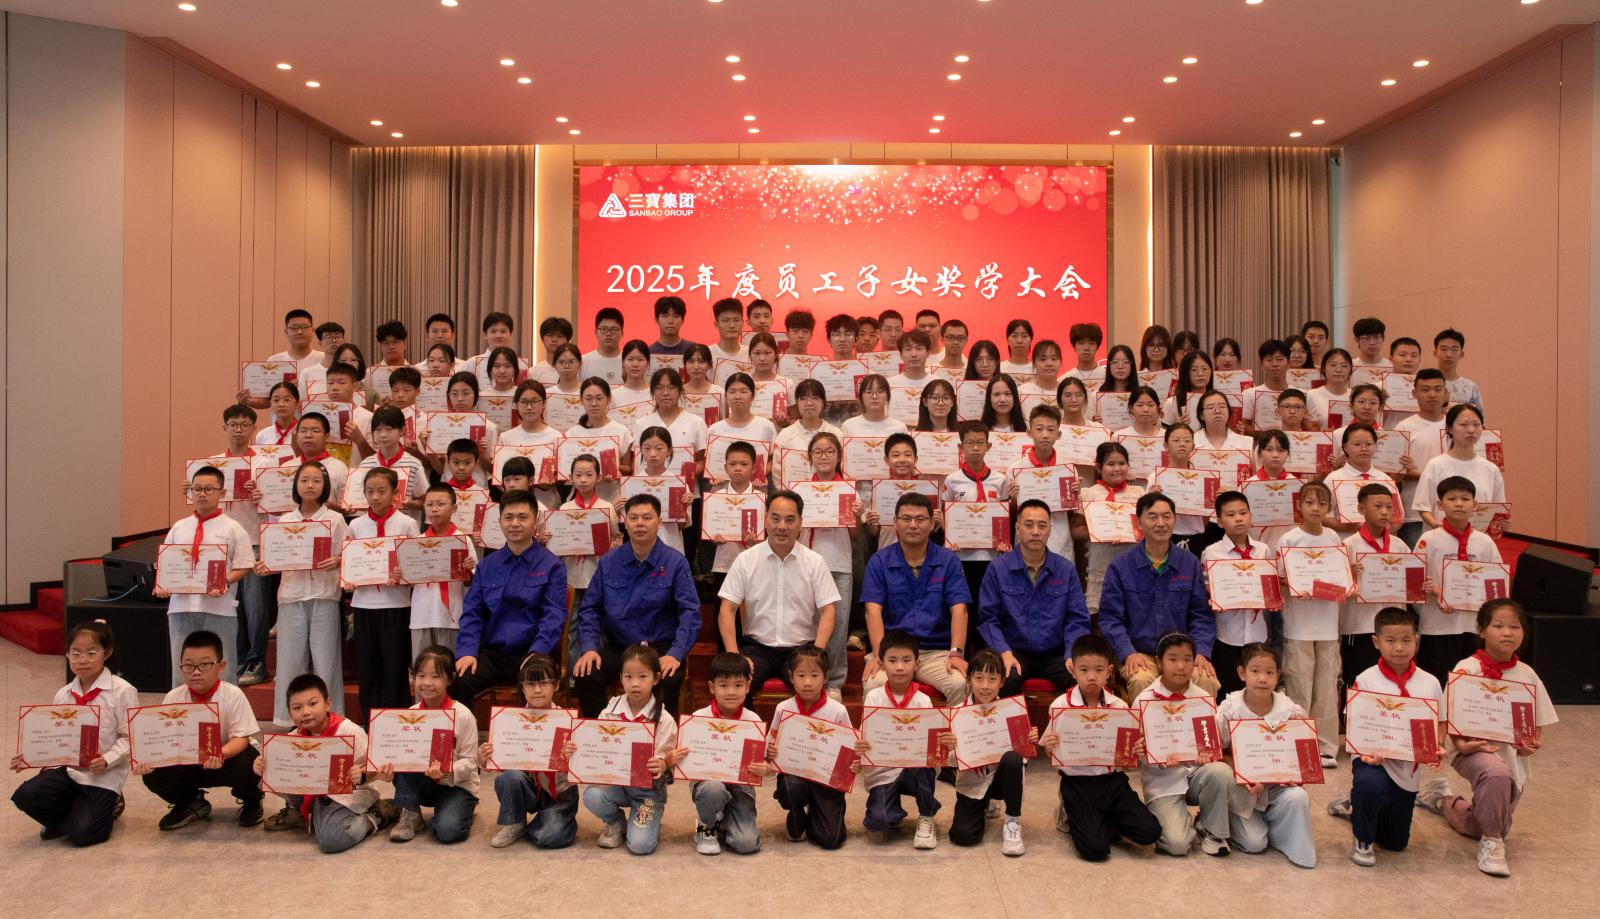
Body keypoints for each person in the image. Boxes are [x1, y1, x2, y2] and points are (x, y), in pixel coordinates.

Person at [1420, 599, 1557, 877]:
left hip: (1511, 758)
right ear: (1481, 630)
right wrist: (1462, 745)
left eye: (1515, 627)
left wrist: (1528, 747)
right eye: (1498, 626)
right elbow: (1450, 718)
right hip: (1472, 750)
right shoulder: (1467, 668)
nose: (1507, 633)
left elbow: (1535, 726)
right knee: (1496, 779)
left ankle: (1442, 799)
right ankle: (1492, 845)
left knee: (1480, 824)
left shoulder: (1527, 674)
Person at [1332, 606, 1444, 868]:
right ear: (1376, 641)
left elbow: (1440, 723)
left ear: (1416, 640)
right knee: (1369, 786)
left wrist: (1437, 745)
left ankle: (1356, 807)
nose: (1399, 648)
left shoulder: (1430, 682)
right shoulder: (1365, 680)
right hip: (1373, 760)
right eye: (1390, 640)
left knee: (1396, 843)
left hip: (1407, 767)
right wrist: (1368, 750)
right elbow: (1354, 724)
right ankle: (1362, 838)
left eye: (1406, 640)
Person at [10, 620, 138, 847]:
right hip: (68, 770)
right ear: (67, 654)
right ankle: (72, 815)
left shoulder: (122, 691)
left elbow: (131, 737)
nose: (82, 660)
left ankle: (108, 804)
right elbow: (55, 737)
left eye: (91, 653)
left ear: (107, 653)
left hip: (102, 776)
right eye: (76, 653)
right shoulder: (64, 694)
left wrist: (107, 759)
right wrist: (31, 756)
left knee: (84, 835)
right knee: (25, 795)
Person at [573, 494, 701, 717]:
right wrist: (590, 648)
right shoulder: (609, 561)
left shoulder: (675, 562)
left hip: (660, 649)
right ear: (625, 522)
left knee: (669, 679)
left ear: (659, 522)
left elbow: (690, 612)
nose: (640, 523)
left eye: (647, 518)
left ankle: (659, 736)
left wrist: (676, 653)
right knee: (586, 674)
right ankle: (602, 731)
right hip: (620, 648)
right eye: (633, 518)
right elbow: (590, 609)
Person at [1040, 634, 1161, 861]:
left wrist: (1135, 751)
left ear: (1109, 671)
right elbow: (1052, 755)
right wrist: (1049, 746)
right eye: (1084, 670)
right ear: (1072, 670)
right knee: (1095, 850)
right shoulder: (1060, 706)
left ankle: (1099, 820)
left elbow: (1127, 761)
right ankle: (1070, 811)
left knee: (1150, 832)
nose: (1092, 676)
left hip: (1112, 782)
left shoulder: (1120, 706)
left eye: (1099, 670)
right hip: (1077, 783)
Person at [134, 629, 263, 830]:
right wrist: (150, 760)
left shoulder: (233, 694)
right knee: (153, 774)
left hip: (225, 760)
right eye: (188, 665)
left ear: (221, 666)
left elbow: (241, 738)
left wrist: (220, 753)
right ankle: (191, 802)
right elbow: (164, 740)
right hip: (188, 763)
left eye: (204, 664)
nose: (196, 672)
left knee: (251, 761)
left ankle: (252, 801)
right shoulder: (174, 697)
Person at [1097, 493, 1219, 699]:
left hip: (1181, 653)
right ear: (1139, 523)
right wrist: (1128, 653)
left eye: (1166, 516)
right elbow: (1110, 619)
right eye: (1153, 517)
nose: (1161, 523)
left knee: (1205, 677)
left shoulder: (1189, 563)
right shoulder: (1120, 566)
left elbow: (1201, 616)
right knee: (1141, 679)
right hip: (1140, 652)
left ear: (1174, 520)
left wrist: (1201, 653)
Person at [257, 673, 398, 850]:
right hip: (313, 791)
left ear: (327, 704)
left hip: (346, 794)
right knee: (267, 771)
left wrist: (361, 775)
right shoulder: (294, 738)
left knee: (331, 840)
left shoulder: (349, 732)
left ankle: (376, 815)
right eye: (297, 707)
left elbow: (376, 767)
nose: (305, 712)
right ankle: (298, 811)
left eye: (313, 704)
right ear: (289, 713)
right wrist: (261, 766)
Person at [717, 490, 841, 693]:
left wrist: (815, 654)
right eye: (775, 519)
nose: (782, 526)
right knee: (736, 685)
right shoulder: (746, 559)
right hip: (757, 647)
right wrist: (734, 655)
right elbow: (727, 609)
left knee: (809, 686)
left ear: (800, 523)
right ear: (765, 520)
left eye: (790, 520)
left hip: (800, 650)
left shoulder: (815, 562)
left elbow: (829, 611)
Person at [860, 493, 972, 704]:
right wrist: (879, 653)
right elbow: (872, 610)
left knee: (960, 683)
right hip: (893, 650)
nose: (913, 525)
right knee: (874, 683)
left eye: (920, 519)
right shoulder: (879, 561)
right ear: (895, 522)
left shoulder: (948, 560)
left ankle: (952, 729)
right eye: (906, 519)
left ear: (932, 524)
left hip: (935, 652)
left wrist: (956, 653)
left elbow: (960, 609)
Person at [1215, 643, 1317, 867]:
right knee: (1254, 843)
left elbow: (1306, 754)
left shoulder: (1290, 711)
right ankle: (1238, 823)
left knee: (1298, 797)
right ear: (1242, 673)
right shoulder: (1229, 709)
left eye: (1269, 672)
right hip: (1243, 789)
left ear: (1278, 675)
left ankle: (1286, 837)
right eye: (1255, 671)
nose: (1262, 679)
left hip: (1278, 787)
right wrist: (1241, 770)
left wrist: (1296, 773)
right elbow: (1216, 752)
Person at [1134, 632, 1235, 856]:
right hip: (1163, 781)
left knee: (1220, 771)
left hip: (1196, 775)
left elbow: (1209, 742)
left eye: (1187, 659)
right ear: (1159, 662)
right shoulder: (1144, 700)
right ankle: (1178, 822)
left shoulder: (1202, 698)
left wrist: (1207, 755)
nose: (1181, 666)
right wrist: (1147, 754)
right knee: (1177, 845)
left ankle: (1211, 829)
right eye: (1173, 659)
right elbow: (1136, 749)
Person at [576, 643, 682, 855]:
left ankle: (649, 818)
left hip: (648, 792)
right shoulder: (610, 711)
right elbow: (596, 746)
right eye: (628, 677)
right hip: (617, 785)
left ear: (656, 678)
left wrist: (664, 763)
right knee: (592, 795)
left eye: (643, 677)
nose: (635, 684)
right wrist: (577, 751)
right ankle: (616, 821)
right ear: (621, 678)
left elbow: (667, 763)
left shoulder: (664, 719)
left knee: (640, 846)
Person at [263, 461, 347, 726]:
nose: (310, 485)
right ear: (295, 485)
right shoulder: (285, 521)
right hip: (291, 595)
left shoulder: (335, 520)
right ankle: (289, 718)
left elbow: (348, 554)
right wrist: (266, 565)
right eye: (304, 480)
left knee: (326, 661)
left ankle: (332, 719)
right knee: (289, 661)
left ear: (325, 486)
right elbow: (275, 557)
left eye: (316, 481)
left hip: (324, 594)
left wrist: (339, 560)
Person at [977, 499, 1089, 696]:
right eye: (1029, 525)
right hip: (1013, 651)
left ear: (1050, 530)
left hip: (1057, 654)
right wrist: (1003, 651)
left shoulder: (1065, 569)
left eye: (1042, 526)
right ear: (1017, 528)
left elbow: (1077, 619)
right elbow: (988, 619)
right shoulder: (998, 568)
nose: (1035, 531)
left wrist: (1072, 653)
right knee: (1005, 680)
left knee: (1081, 682)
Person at [156, 466, 256, 686]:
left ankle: (224, 708)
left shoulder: (233, 528)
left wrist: (225, 580)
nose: (202, 494)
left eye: (209, 489)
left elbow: (246, 565)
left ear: (222, 492)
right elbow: (166, 565)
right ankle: (184, 707)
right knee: (182, 671)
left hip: (219, 607)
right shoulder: (179, 527)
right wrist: (162, 585)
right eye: (197, 489)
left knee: (223, 670)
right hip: (181, 607)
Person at [1275, 480, 1348, 766]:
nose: (1315, 508)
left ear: (1329, 507)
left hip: (1328, 624)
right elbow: (1279, 578)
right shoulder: (1289, 540)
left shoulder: (1333, 537)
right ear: (1299, 506)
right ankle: (1300, 744)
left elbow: (1340, 578)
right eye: (1309, 503)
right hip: (1298, 625)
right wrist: (1296, 585)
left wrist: (1348, 578)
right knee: (1300, 688)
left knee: (1327, 689)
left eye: (1321, 503)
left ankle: (1326, 747)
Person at [379, 646, 479, 844]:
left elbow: (471, 761)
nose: (426, 683)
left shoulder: (463, 715)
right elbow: (399, 755)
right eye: (421, 675)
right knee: (403, 755)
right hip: (423, 782)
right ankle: (410, 812)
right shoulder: (410, 715)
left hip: (456, 786)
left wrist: (447, 769)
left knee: (448, 832)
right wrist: (388, 771)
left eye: (435, 676)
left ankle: (460, 809)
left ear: (450, 679)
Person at [938, 649, 1033, 855]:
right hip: (972, 783)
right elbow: (951, 763)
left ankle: (1012, 821)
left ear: (1001, 682)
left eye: (992, 679)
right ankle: (985, 804)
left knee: (1013, 759)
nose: (985, 686)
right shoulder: (957, 714)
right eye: (979, 678)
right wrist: (951, 748)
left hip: (1000, 779)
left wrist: (1028, 741)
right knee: (962, 836)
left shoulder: (1011, 710)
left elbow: (1022, 759)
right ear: (969, 679)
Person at [479, 652, 579, 849]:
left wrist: (574, 756)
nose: (537, 690)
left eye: (544, 683)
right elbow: (501, 763)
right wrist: (484, 757)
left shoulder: (568, 721)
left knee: (548, 837)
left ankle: (555, 821)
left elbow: (582, 767)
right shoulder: (509, 720)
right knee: (509, 777)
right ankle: (515, 821)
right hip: (528, 787)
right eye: (530, 684)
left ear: (556, 685)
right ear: (522, 688)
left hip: (559, 794)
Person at [678, 653, 772, 855]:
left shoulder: (753, 721)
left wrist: (765, 768)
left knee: (747, 844)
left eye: (738, 685)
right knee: (714, 789)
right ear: (712, 687)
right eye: (723, 685)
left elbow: (762, 761)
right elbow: (686, 759)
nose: (731, 692)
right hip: (708, 783)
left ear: (748, 686)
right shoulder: (698, 719)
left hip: (741, 788)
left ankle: (724, 818)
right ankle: (707, 824)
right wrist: (678, 758)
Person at [1415, 476, 1505, 682]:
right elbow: (1414, 578)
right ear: (1440, 505)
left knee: (1471, 682)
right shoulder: (1429, 539)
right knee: (1437, 680)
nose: (1458, 504)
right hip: (1437, 625)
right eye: (1452, 499)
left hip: (1474, 625)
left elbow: (1497, 581)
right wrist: (1437, 592)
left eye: (1465, 499)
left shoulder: (1484, 542)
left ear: (1475, 505)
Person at [344, 467, 420, 714]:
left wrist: (403, 576)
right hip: (364, 605)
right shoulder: (356, 525)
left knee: (394, 666)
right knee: (368, 667)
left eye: (381, 491)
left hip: (396, 605)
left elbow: (415, 567)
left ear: (395, 493)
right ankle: (371, 721)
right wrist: (348, 579)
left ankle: (395, 720)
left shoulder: (407, 524)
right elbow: (349, 563)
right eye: (370, 491)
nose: (375, 497)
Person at [858, 630, 943, 849]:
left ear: (917, 664)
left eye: (906, 660)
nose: (899, 667)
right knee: (878, 821)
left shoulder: (923, 700)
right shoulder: (874, 697)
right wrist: (861, 744)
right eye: (892, 660)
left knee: (924, 763)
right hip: (883, 771)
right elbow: (865, 736)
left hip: (914, 769)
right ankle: (892, 809)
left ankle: (926, 817)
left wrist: (943, 744)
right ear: (881, 663)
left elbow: (931, 745)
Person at [767, 646, 851, 848]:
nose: (807, 682)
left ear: (825, 677)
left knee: (831, 840)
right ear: (791, 677)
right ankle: (796, 813)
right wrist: (770, 751)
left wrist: (852, 761)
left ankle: (816, 812)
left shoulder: (838, 711)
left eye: (814, 675)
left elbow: (848, 750)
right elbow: (771, 743)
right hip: (795, 776)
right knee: (790, 787)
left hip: (826, 780)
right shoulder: (783, 708)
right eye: (801, 675)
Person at [1200, 491, 1272, 696]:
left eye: (1243, 513)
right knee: (1228, 693)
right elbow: (1207, 588)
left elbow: (1269, 589)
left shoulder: (1262, 550)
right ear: (1219, 521)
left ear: (1250, 516)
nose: (1238, 518)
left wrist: (1273, 598)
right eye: (1231, 515)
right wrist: (1217, 596)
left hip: (1257, 635)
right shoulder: (1211, 552)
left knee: (1256, 690)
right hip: (1227, 635)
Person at [943, 419, 1012, 630]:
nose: (975, 448)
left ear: (988, 446)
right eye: (970, 443)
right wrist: (949, 539)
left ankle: (987, 645)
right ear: (960, 447)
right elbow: (947, 516)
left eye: (980, 443)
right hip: (962, 554)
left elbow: (1004, 516)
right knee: (965, 602)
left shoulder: (1000, 480)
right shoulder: (952, 480)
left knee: (989, 603)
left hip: (991, 554)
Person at [1341, 484, 1407, 690]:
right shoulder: (1348, 545)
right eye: (1378, 506)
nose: (1384, 512)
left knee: (1391, 684)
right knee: (1357, 683)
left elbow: (1412, 585)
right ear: (1361, 509)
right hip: (1359, 626)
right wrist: (1351, 577)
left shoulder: (1399, 545)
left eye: (1389, 507)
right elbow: (1338, 589)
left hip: (1394, 627)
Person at [1074, 442, 1146, 614]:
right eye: (1111, 464)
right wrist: (1101, 533)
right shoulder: (1088, 494)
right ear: (1099, 467)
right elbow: (1075, 531)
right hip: (1099, 560)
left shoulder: (1139, 494)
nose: (1117, 469)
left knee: (1131, 611)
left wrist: (1133, 533)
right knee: (1100, 611)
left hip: (1132, 560)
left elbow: (1146, 528)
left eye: (1122, 463)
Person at [1413, 403, 1506, 532]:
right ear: (1450, 429)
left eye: (1476, 424)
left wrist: (1502, 523)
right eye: (1463, 425)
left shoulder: (1491, 469)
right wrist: (1436, 525)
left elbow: (1497, 509)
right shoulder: (1435, 465)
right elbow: (1423, 506)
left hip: (1478, 538)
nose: (1471, 430)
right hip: (1442, 537)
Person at [1392, 368, 1449, 545]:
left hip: (1451, 509)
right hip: (1414, 511)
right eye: (1425, 390)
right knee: (1418, 559)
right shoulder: (1403, 428)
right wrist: (1421, 475)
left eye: (1437, 389)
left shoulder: (1456, 425)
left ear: (1446, 393)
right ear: (1414, 393)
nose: (1432, 395)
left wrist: (1420, 473)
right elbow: (1397, 473)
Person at [1433, 327, 1482, 411]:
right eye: (1444, 349)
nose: (1448, 355)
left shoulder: (1471, 387)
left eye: (1454, 349)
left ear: (1461, 354)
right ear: (1435, 353)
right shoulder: (1424, 384)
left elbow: (1479, 417)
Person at [709, 297, 751, 381]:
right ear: (716, 324)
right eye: (725, 320)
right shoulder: (708, 353)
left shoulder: (751, 353)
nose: (732, 325)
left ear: (743, 323)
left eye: (736, 320)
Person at [582, 307, 626, 384]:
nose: (608, 333)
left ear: (622, 332)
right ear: (595, 332)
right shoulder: (583, 362)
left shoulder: (629, 362)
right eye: (603, 329)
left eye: (614, 329)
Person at [649, 295, 695, 360]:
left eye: (675, 316)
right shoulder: (649, 353)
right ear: (656, 320)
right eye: (665, 316)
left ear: (683, 320)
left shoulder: (693, 351)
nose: (670, 321)